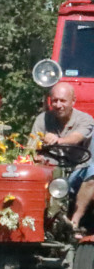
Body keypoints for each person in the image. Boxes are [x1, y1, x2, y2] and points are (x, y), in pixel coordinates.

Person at [29, 82, 94, 230]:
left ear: (73, 101)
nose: (58, 105)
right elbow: (31, 146)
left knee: (93, 173)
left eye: (63, 101)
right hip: (51, 170)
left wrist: (59, 141)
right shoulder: (43, 119)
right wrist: (36, 153)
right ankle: (35, 222)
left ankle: (74, 222)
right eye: (55, 101)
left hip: (78, 171)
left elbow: (77, 137)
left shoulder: (85, 119)